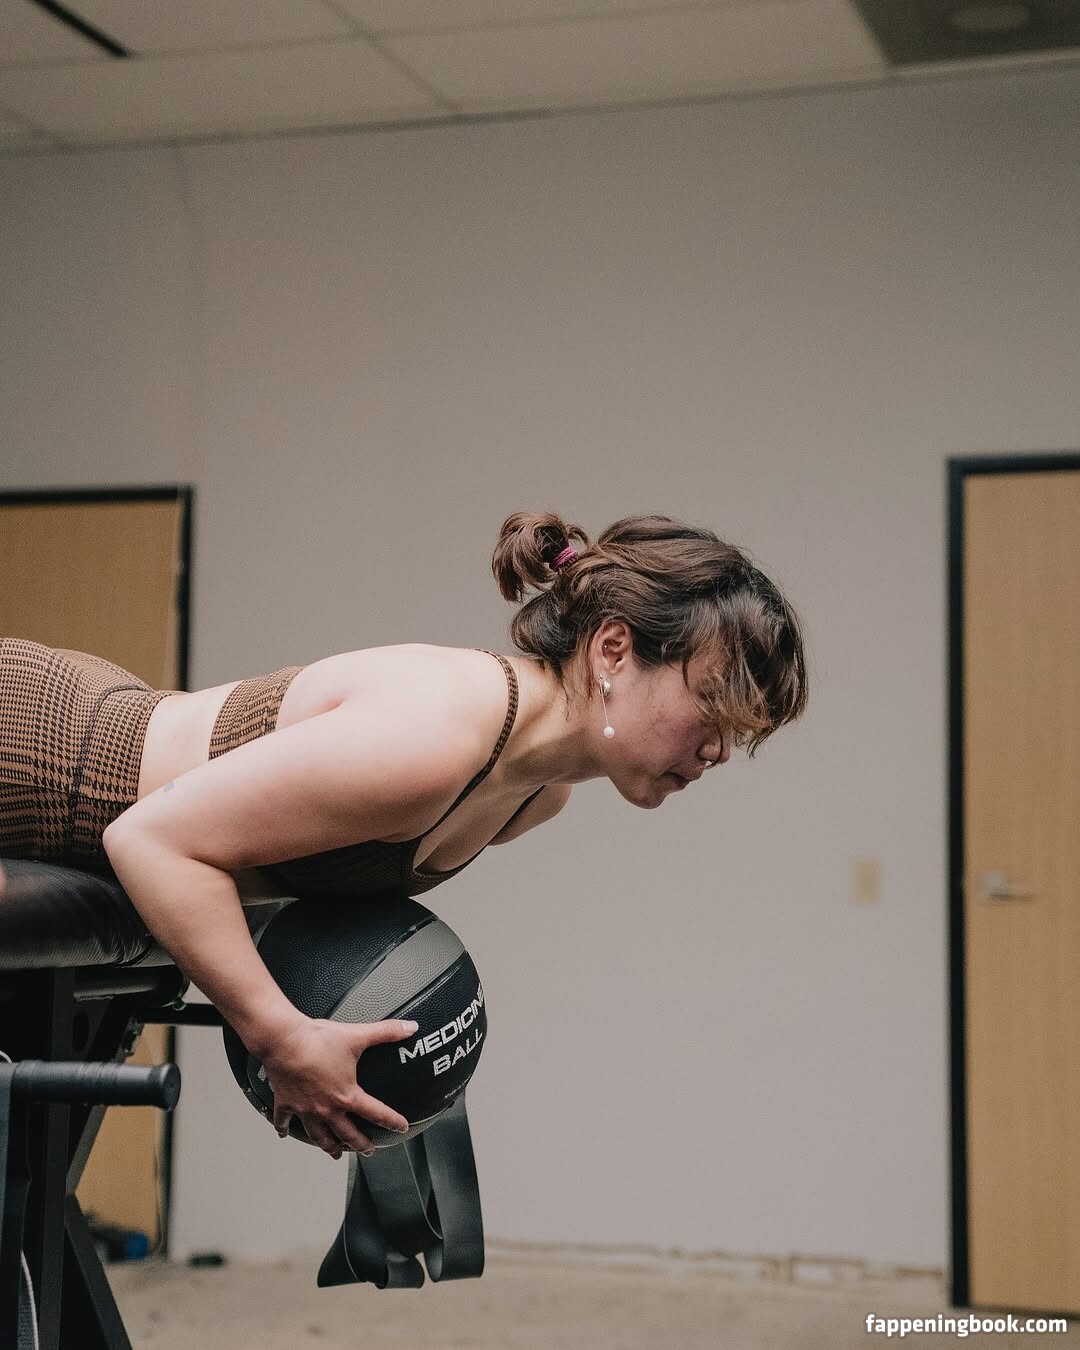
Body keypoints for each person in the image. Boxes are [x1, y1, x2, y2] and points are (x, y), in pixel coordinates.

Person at [0, 511, 807, 1161]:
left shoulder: (537, 797)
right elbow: (153, 841)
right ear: (614, 650)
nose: (717, 751)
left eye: (739, 735)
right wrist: (282, 1038)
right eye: (711, 708)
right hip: (37, 761)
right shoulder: (439, 734)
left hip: (83, 795)